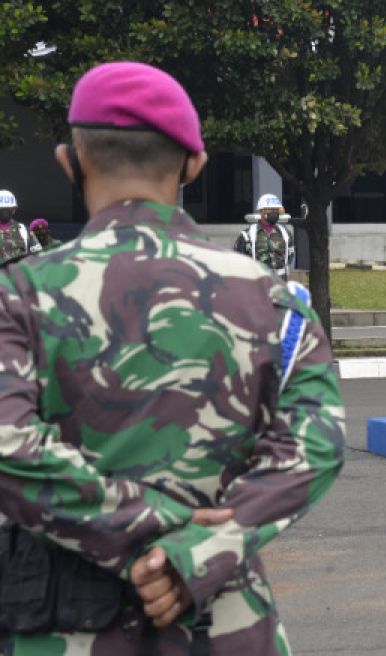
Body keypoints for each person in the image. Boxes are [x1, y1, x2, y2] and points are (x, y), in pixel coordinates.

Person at [0, 61, 345, 654]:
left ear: (70, 160)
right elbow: (317, 442)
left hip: (63, 624)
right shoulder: (275, 299)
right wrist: (199, 549)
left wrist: (135, 532)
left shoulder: (20, 295)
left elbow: (8, 443)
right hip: (225, 617)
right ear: (195, 163)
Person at [235, 193, 295, 279]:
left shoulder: (286, 234)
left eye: (276, 210)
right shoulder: (247, 235)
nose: (275, 212)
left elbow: (290, 256)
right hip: (257, 282)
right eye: (271, 209)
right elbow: (239, 260)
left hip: (279, 282)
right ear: (261, 211)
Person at [0, 190, 41, 263]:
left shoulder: (24, 230)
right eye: (2, 209)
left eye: (8, 208)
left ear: (14, 210)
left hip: (19, 273)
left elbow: (38, 255)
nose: (4, 212)